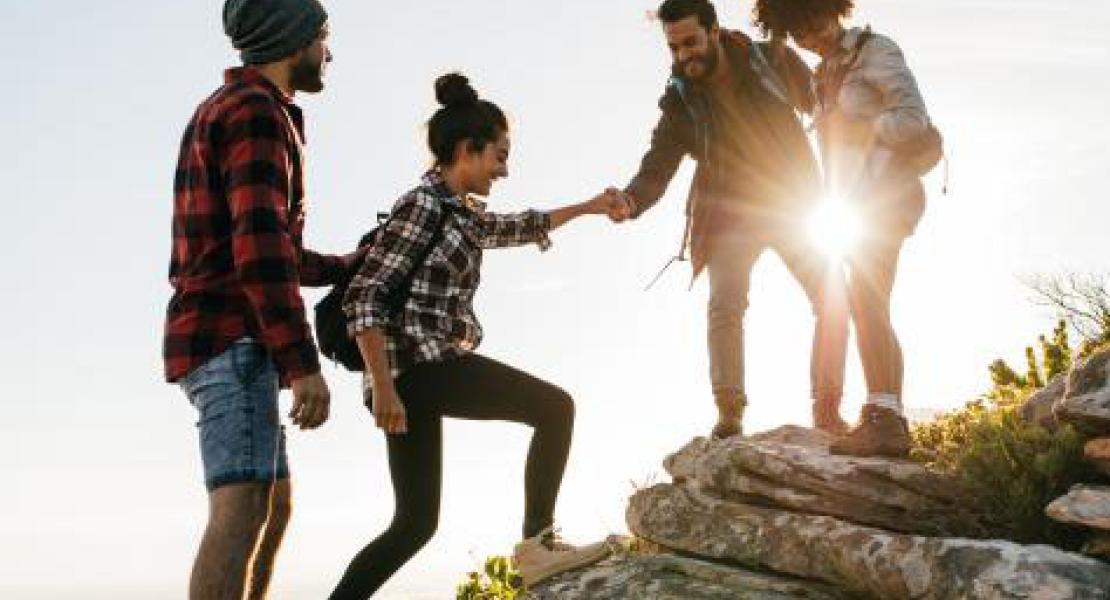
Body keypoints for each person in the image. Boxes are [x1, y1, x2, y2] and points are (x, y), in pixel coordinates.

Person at [329, 74, 618, 598]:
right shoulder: (423, 205)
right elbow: (365, 296)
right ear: (467, 150)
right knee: (555, 408)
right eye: (499, 156)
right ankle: (536, 546)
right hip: (419, 369)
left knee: (414, 525)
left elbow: (519, 226)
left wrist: (590, 206)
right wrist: (385, 387)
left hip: (414, 377)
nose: (505, 169)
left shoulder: (461, 214)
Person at [164, 1, 350, 597]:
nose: (329, 51)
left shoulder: (231, 109)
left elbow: (270, 246)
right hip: (230, 339)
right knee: (241, 508)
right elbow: (260, 252)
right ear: (293, 40)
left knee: (274, 505)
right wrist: (304, 367)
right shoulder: (255, 114)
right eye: (324, 37)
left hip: (230, 337)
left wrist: (348, 264)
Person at [610, 0, 850, 439]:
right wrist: (630, 201)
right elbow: (656, 168)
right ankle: (730, 413)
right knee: (725, 305)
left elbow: (825, 103)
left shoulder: (771, 60)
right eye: (674, 47)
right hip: (729, 214)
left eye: (691, 43)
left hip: (792, 204)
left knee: (833, 294)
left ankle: (828, 407)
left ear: (714, 31)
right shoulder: (678, 101)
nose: (684, 55)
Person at [753, 0, 937, 457]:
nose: (810, 39)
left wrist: (862, 127)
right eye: (798, 34)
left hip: (890, 192)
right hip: (855, 202)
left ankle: (884, 418)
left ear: (833, 9)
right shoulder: (822, 75)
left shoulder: (876, 50)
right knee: (869, 301)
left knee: (866, 298)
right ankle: (887, 416)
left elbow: (915, 119)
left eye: (813, 24)